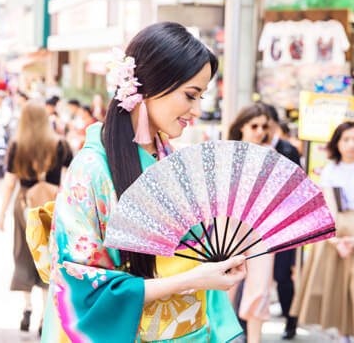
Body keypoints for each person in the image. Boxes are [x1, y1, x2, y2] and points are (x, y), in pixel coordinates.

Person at [32, 22, 246, 342]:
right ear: (149, 87)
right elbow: (81, 290)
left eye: (201, 96)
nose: (197, 110)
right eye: (191, 95)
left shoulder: (172, 160)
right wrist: (193, 279)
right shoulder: (91, 173)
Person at [291, 122, 354, 343]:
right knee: (334, 285)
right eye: (346, 139)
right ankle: (344, 335)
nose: (351, 144)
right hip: (336, 231)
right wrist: (335, 240)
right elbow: (330, 209)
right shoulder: (331, 169)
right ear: (338, 143)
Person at [0, 100, 73, 334]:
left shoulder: (17, 145)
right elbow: (71, 177)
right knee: (48, 257)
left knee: (24, 255)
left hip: (25, 209)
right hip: (52, 209)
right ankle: (44, 315)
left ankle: (27, 308)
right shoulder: (60, 145)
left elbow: (10, 182)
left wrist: (0, 214)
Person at [227, 103, 274, 343]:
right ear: (242, 126)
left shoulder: (272, 157)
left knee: (259, 290)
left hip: (262, 230)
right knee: (224, 288)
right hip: (229, 228)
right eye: (254, 125)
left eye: (264, 126)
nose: (259, 131)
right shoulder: (227, 154)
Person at [262, 103, 301, 339]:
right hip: (256, 224)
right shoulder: (251, 148)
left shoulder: (288, 149)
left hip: (285, 222)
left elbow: (296, 184)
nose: (261, 130)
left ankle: (291, 319)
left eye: (265, 124)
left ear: (275, 124)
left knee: (282, 273)